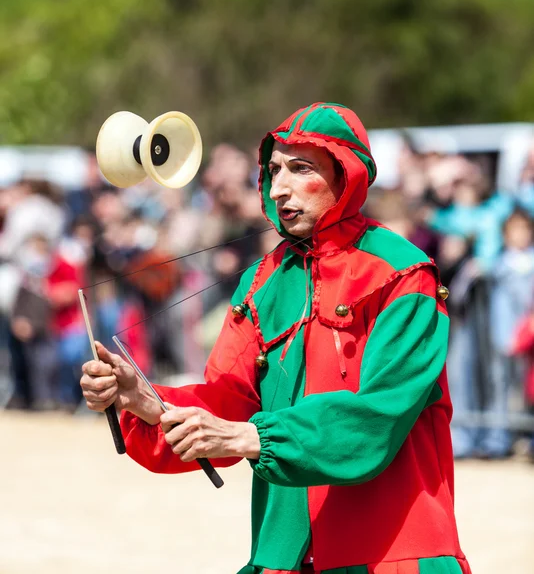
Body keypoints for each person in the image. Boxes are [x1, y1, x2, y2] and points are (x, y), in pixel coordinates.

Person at [80, 103, 471, 574]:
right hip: (283, 552)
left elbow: (379, 416)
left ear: (345, 174)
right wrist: (144, 401)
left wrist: (252, 436)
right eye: (273, 170)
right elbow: (228, 400)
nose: (279, 186)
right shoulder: (261, 282)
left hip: (391, 550)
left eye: (300, 168)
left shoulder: (403, 274)